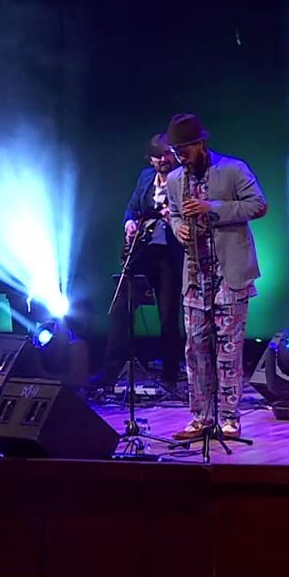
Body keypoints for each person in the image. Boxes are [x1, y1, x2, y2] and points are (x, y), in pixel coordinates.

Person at [163, 113, 268, 441]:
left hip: (230, 273)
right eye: (176, 151)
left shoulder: (234, 169)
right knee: (195, 349)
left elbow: (259, 205)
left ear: (200, 143)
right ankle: (201, 418)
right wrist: (177, 225)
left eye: (185, 149)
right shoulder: (174, 179)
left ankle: (229, 418)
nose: (181, 156)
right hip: (195, 275)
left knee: (228, 349)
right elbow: (175, 213)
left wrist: (214, 207)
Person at [99, 134, 185, 393]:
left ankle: (171, 374)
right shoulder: (145, 178)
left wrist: (173, 218)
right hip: (142, 253)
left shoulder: (183, 180)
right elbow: (131, 208)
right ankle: (109, 373)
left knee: (169, 317)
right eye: (158, 156)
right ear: (150, 159)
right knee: (120, 309)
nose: (164, 160)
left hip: (169, 255)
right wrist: (129, 223)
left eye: (168, 155)